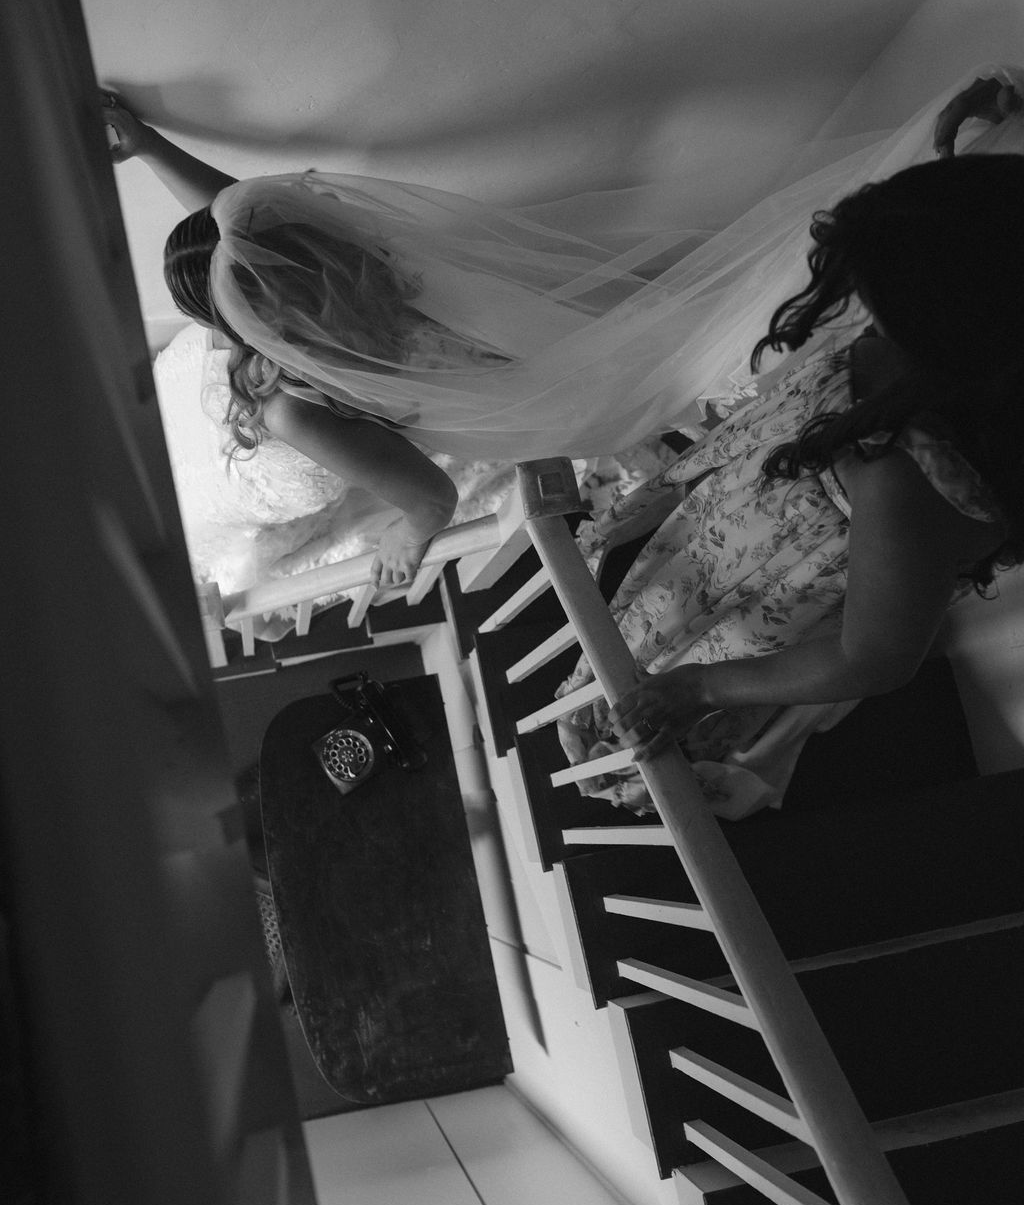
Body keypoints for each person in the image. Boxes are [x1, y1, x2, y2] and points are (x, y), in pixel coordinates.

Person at [103, 67, 1021, 598]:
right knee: (734, 311)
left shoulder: (308, 398)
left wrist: (406, 541)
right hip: (573, 321)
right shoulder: (356, 253)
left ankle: (911, 278)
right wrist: (146, 147)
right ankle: (944, 219)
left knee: (740, 359)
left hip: (574, 386)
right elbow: (245, 222)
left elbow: (423, 496)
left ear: (255, 327)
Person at [556, 116, 1024, 819]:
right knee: (636, 636)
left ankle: (632, 771)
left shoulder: (908, 476)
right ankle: (599, 708)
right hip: (725, 532)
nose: (865, 308)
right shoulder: (943, 329)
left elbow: (875, 656)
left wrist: (701, 690)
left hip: (762, 614)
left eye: (881, 302)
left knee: (659, 690)